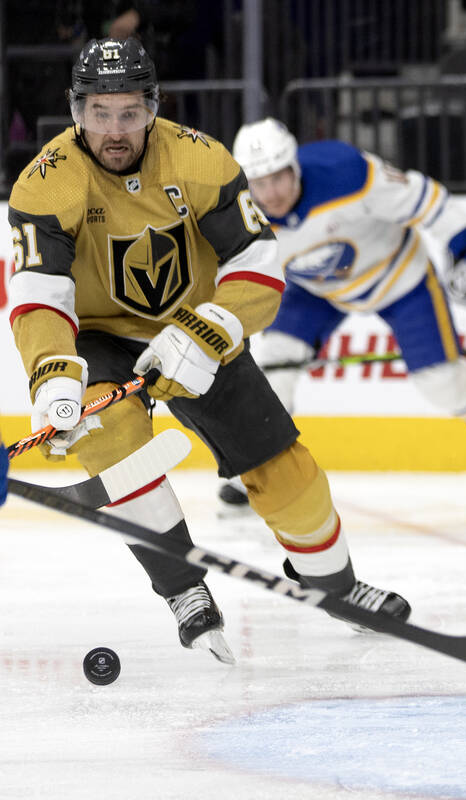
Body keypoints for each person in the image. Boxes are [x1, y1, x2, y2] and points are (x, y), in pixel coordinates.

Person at [5, 38, 411, 663]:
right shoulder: (45, 185)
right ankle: (184, 589)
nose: (115, 130)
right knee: (107, 434)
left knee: (286, 472)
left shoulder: (199, 160)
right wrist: (55, 380)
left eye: (131, 113)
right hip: (101, 337)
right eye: (100, 113)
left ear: (153, 108)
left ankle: (337, 586)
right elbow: (40, 297)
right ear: (75, 110)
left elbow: (259, 262)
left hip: (198, 326)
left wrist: (209, 329)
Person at [218, 118, 466, 506]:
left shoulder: (344, 171)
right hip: (315, 292)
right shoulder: (240, 215)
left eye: (278, 177)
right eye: (259, 182)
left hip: (400, 278)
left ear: (295, 164)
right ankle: (261, 467)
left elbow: (426, 199)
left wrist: (465, 244)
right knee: (275, 366)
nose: (271, 193)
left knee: (440, 382)